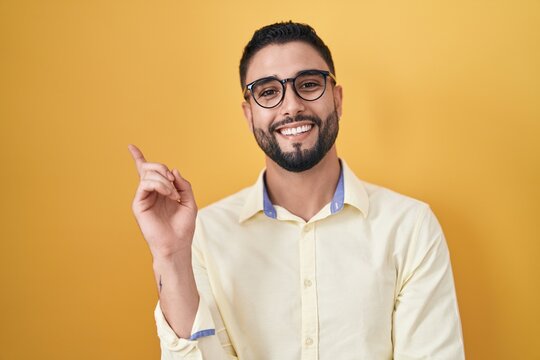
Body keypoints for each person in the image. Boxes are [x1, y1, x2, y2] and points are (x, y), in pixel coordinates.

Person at [128, 21, 465, 360]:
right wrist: (170, 256)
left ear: (337, 98)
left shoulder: (409, 227)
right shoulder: (204, 235)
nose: (291, 106)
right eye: (268, 91)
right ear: (249, 114)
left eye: (308, 84)